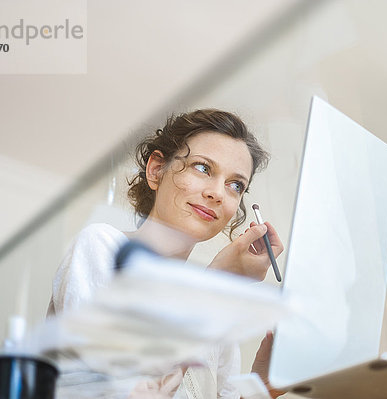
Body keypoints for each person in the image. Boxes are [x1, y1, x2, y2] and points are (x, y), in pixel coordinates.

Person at [47, 109, 285, 398]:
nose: (218, 193)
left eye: (235, 185)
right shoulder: (101, 246)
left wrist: (262, 386)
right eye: (203, 168)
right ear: (156, 169)